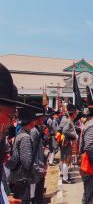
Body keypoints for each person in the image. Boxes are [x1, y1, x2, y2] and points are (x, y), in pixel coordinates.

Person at [0, 63, 41, 204]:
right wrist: (40, 170)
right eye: (11, 116)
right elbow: (27, 160)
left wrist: (5, 198)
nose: (12, 122)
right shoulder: (25, 137)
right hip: (23, 177)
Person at [29, 102, 48, 204]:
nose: (44, 119)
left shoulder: (37, 129)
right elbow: (32, 154)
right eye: (43, 117)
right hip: (35, 168)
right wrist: (39, 167)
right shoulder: (33, 131)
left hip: (39, 166)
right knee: (34, 196)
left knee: (38, 193)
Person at [58, 104, 78, 184]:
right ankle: (65, 178)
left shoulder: (64, 118)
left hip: (62, 140)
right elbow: (65, 131)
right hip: (66, 141)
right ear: (73, 113)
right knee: (67, 159)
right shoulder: (68, 120)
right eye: (76, 113)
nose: (76, 114)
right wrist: (74, 135)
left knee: (63, 159)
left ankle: (64, 174)